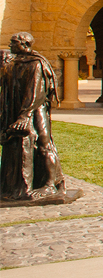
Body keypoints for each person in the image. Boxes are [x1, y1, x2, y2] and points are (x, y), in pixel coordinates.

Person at [0, 32, 66, 202]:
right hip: (18, 109)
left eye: (14, 42)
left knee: (44, 144)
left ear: (25, 45)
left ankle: (51, 183)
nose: (10, 45)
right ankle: (15, 185)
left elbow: (35, 92)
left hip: (35, 110)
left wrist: (25, 115)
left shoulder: (36, 64)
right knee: (17, 144)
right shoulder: (15, 63)